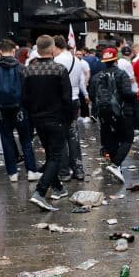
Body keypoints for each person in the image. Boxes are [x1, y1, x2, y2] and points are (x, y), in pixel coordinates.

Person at [24, 35, 74, 211]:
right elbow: (67, 98)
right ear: (53, 50)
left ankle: (58, 188)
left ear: (37, 50)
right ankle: (40, 191)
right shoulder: (59, 70)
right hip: (57, 119)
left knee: (51, 155)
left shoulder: (28, 71)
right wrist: (69, 118)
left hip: (38, 119)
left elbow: (25, 98)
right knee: (55, 156)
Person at [0, 39, 40, 183]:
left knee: (6, 139)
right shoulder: (22, 67)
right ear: (14, 50)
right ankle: (31, 171)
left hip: (1, 109)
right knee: (26, 140)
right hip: (20, 108)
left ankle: (12, 173)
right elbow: (27, 90)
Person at [92, 47, 135, 183]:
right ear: (116, 59)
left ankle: (117, 168)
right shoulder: (122, 74)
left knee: (110, 140)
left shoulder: (96, 77)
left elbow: (92, 95)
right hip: (121, 112)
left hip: (103, 114)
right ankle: (115, 165)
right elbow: (127, 93)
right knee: (127, 139)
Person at [54, 37, 85, 180]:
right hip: (75, 100)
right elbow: (81, 83)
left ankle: (64, 171)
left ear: (56, 46)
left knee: (60, 137)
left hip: (61, 101)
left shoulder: (57, 61)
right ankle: (78, 169)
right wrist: (86, 95)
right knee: (73, 135)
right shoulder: (77, 61)